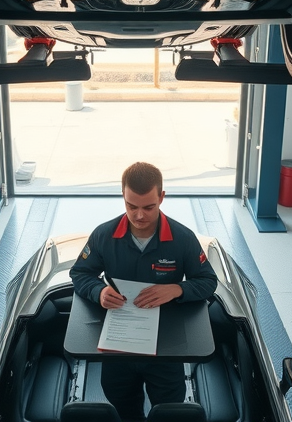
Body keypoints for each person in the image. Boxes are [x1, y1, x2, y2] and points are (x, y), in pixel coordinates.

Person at [70, 162, 218, 421]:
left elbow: (207, 281)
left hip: (166, 347)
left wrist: (176, 289)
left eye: (149, 207)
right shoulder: (103, 236)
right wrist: (99, 292)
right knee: (122, 404)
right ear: (123, 197)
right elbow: (80, 274)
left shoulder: (183, 239)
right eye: (131, 206)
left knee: (168, 405)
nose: (139, 215)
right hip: (117, 346)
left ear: (161, 197)